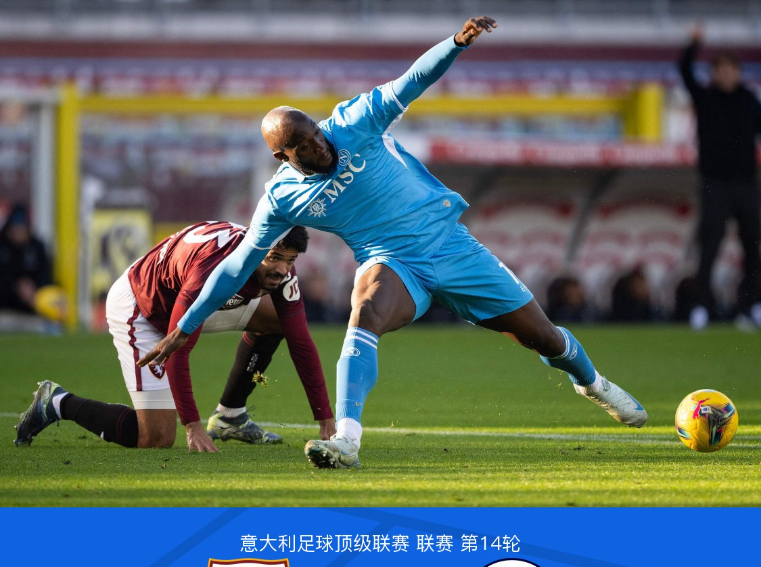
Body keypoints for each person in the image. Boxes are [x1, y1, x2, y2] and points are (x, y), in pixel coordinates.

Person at [141, 16, 647, 469]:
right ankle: (346, 440)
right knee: (363, 313)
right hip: (392, 263)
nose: (319, 146)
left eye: (316, 134)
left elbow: (413, 81)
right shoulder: (281, 199)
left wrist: (455, 43)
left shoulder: (354, 122)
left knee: (544, 338)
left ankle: (593, 384)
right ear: (282, 157)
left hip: (451, 246)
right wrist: (186, 326)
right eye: (304, 147)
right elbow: (236, 267)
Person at [14, 222, 334, 451]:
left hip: (190, 298)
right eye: (275, 257)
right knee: (155, 438)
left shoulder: (276, 268)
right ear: (258, 246)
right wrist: (192, 426)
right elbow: (178, 346)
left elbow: (301, 343)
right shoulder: (213, 270)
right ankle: (57, 402)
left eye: (290, 260)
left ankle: (230, 415)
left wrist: (326, 420)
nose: (282, 270)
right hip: (143, 308)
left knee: (279, 321)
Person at [679, 26, 761, 331]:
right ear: (713, 74)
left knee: (752, 247)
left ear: (738, 73)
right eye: (721, 70)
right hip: (714, 184)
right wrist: (694, 43)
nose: (726, 75)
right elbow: (684, 71)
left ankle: (751, 306)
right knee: (709, 247)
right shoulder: (705, 98)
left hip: (746, 184)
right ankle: (701, 307)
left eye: (731, 70)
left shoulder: (749, 101)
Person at [0, 203, 53, 314]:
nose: (19, 233)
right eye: (16, 228)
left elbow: (46, 276)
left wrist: (34, 290)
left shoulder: (36, 247)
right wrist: (16, 286)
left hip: (31, 309)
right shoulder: (2, 245)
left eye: (22, 229)